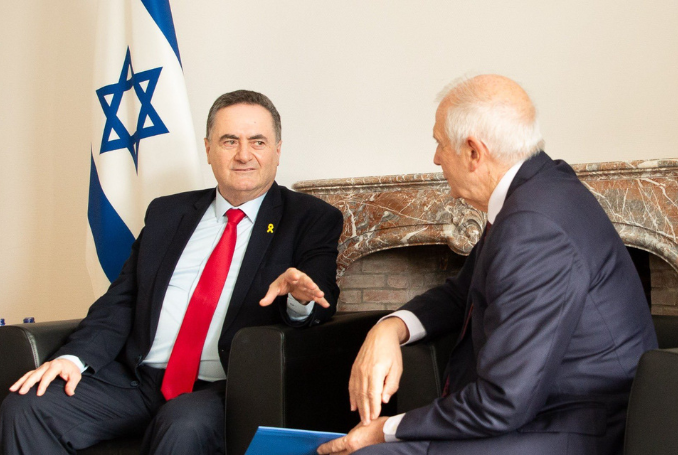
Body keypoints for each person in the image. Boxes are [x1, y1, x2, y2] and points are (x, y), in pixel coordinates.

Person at [318, 75, 657, 455]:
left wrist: (387, 430)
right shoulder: (541, 188)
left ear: (474, 152)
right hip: (534, 414)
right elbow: (463, 292)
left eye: (439, 144)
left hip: (564, 430)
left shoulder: (533, 226)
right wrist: (390, 328)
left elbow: (502, 401)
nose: (435, 158)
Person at [0, 90, 343, 454]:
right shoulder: (168, 214)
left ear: (277, 150)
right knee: (26, 408)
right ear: (209, 149)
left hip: (221, 388)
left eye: (257, 141)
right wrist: (71, 359)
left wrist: (298, 300)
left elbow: (320, 300)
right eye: (230, 141)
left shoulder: (310, 218)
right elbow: (121, 300)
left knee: (182, 424)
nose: (244, 155)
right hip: (136, 380)